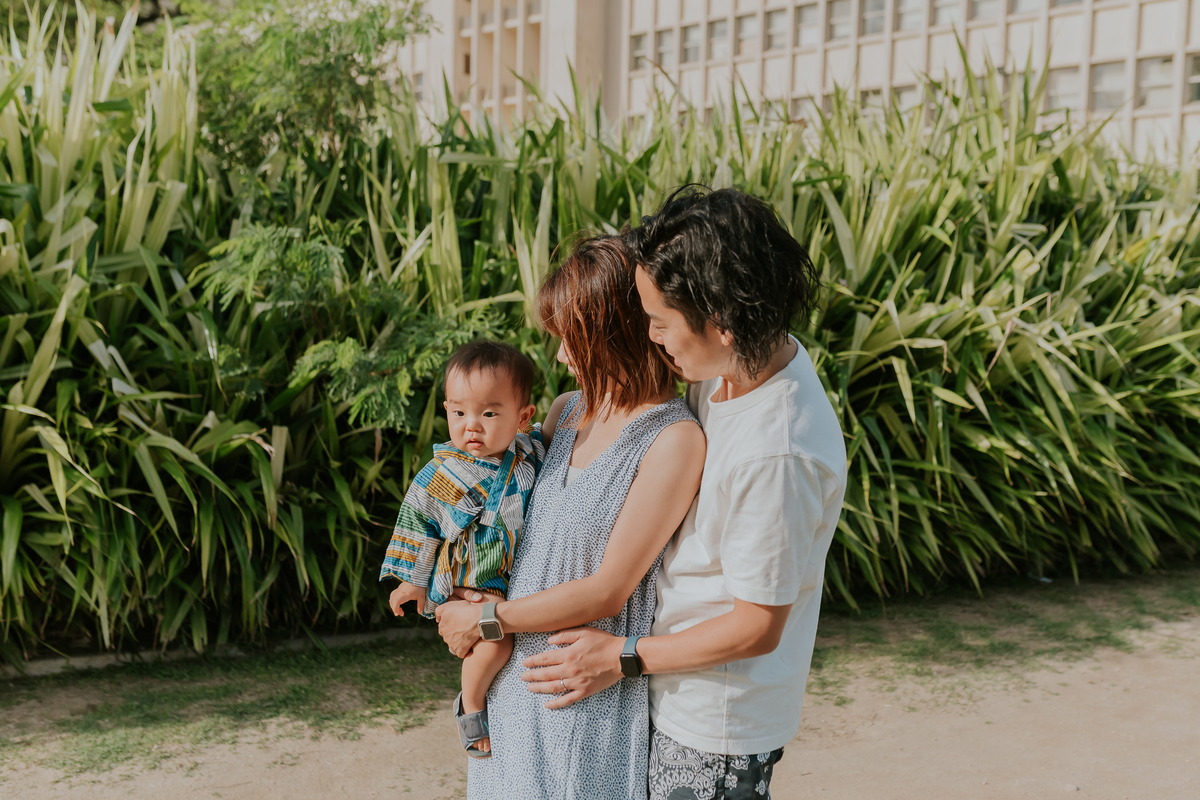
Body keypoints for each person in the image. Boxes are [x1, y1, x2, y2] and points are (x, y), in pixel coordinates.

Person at [518, 186, 848, 800]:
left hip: (715, 722)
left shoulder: (778, 451)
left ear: (721, 321)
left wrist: (619, 656)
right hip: (668, 695)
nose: (651, 336)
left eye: (659, 322)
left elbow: (756, 627)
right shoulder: (730, 372)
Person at [434, 234, 706, 800]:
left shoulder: (672, 440)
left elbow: (609, 589)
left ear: (614, 336)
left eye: (571, 339)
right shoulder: (567, 410)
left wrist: (489, 621)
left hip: (579, 695)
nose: (560, 356)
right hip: (511, 691)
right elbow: (502, 506)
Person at [379, 340, 542, 757]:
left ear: (523, 417)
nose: (472, 425)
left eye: (489, 413)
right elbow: (420, 525)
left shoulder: (531, 454)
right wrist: (412, 583)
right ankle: (470, 705)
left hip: (516, 576)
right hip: (472, 579)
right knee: (496, 643)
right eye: (459, 412)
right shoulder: (444, 471)